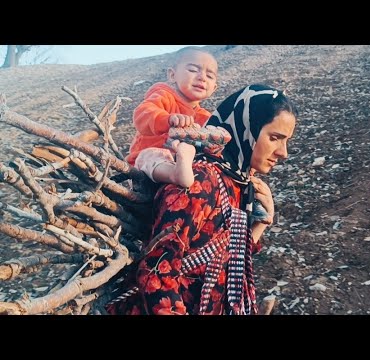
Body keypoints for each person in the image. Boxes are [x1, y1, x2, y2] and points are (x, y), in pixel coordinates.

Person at [106, 84, 298, 315]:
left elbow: (227, 260)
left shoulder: (238, 184)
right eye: (275, 137)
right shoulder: (201, 180)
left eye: (286, 141)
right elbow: (156, 272)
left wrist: (261, 223)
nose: (283, 152)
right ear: (248, 128)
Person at [126, 46, 218, 188]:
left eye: (210, 76)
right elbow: (142, 114)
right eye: (193, 70)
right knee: (150, 156)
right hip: (146, 169)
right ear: (172, 75)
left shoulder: (206, 117)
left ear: (214, 88)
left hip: (184, 164)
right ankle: (175, 173)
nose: (202, 77)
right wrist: (167, 119)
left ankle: (182, 169)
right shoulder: (163, 95)